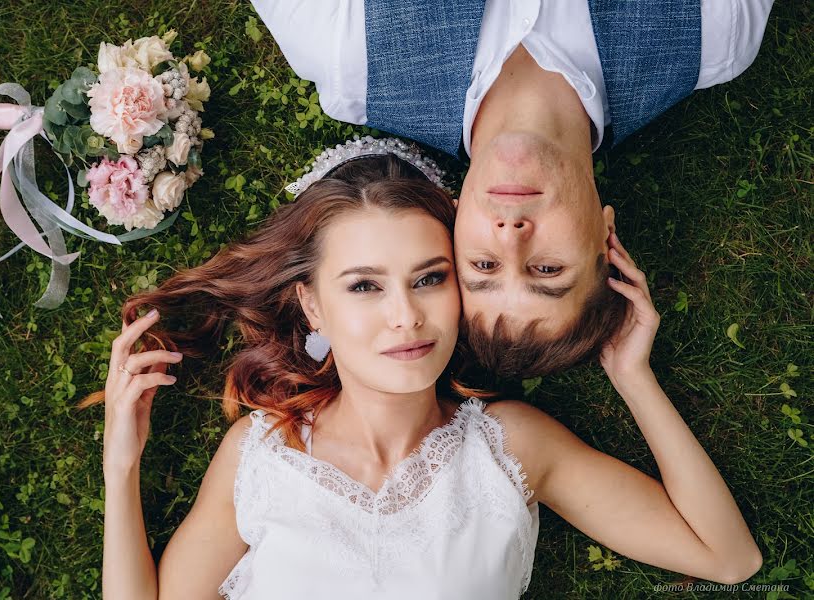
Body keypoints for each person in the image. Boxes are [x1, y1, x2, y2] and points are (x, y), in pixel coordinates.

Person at [84, 139, 762, 599]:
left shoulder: (511, 448)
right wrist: (121, 468)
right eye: (364, 286)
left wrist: (633, 377)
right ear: (312, 307)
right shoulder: (261, 456)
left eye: (430, 278)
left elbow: (728, 557)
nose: (406, 317)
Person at [249, 0, 775, 378]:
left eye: (483, 267)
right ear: (607, 240)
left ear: (452, 223)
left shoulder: (349, 57)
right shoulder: (713, 33)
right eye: (547, 270)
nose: (512, 236)